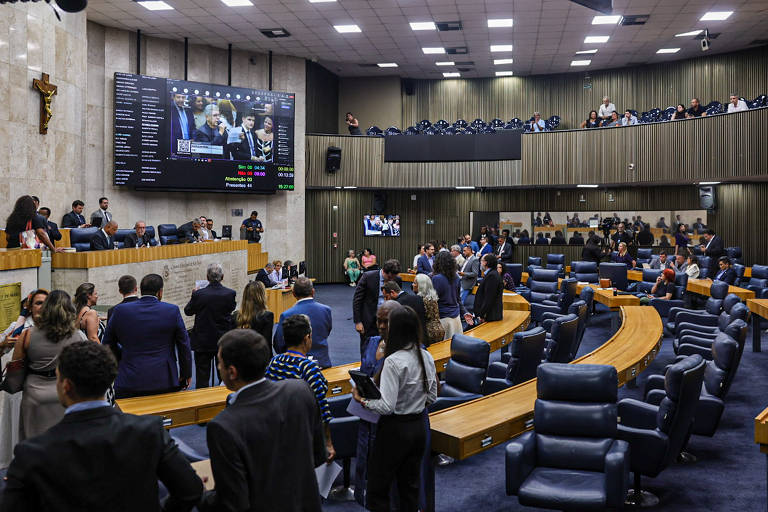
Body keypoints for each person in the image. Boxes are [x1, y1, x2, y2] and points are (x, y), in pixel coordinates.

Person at [1, 341, 204, 511]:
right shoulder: (150, 430)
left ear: (65, 385)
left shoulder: (32, 453)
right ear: (109, 381)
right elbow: (191, 490)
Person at [199, 330, 324, 511]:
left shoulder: (223, 426)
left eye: (219, 362)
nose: (218, 367)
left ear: (232, 372)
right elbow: (318, 456)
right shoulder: (300, 390)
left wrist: (197, 494)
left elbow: (233, 503)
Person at [351, 307, 437, 512]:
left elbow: (386, 407)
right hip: (418, 428)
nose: (381, 327)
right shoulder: (426, 356)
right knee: (410, 487)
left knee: (378, 489)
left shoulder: (393, 361)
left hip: (394, 431)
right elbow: (432, 396)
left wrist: (362, 399)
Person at [4, 290, 86, 441]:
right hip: (66, 392)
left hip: (35, 394)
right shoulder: (77, 336)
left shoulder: (27, 335)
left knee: (34, 442)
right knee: (63, 440)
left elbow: (16, 365)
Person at [104, 274, 192, 398]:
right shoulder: (172, 310)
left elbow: (107, 344)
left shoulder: (120, 311)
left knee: (130, 416)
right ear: (160, 292)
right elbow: (184, 344)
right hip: (164, 378)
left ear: (140, 290)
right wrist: (186, 373)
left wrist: (123, 358)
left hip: (129, 377)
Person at [266, 312, 335, 454]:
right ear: (307, 338)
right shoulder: (308, 368)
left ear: (284, 338)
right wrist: (328, 443)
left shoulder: (274, 361)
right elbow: (322, 409)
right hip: (301, 434)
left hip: (276, 430)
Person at [184, 263, 236, 388]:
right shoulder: (230, 293)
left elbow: (188, 311)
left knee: (202, 377)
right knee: (223, 376)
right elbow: (231, 308)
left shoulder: (199, 294)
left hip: (203, 340)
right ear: (222, 277)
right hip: (222, 340)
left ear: (207, 277)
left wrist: (193, 296)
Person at [273, 277, 333, 367]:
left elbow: (279, 344)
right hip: (322, 362)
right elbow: (326, 332)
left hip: (296, 366)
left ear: (293, 293)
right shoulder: (326, 310)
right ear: (313, 292)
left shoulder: (286, 315)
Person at [353, 259, 403, 352]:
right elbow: (357, 300)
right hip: (369, 320)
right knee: (367, 349)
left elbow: (398, 299)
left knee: (388, 348)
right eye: (389, 276)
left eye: (394, 277)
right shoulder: (368, 277)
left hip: (389, 321)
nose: (392, 280)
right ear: (384, 271)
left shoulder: (397, 279)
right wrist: (358, 322)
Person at [431, 251, 470, 339]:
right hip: (456, 319)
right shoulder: (456, 277)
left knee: (443, 350)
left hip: (443, 319)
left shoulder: (436, 278)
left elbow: (433, 300)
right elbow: (458, 299)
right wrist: (464, 312)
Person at [231, 280, 273, 346]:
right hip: (259, 354)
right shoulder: (267, 316)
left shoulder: (235, 315)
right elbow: (266, 343)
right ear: (262, 296)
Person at [470, 253, 503, 324]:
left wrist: (481, 315)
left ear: (485, 263)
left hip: (489, 316)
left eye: (481, 261)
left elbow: (489, 298)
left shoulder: (492, 276)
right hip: (488, 315)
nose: (480, 263)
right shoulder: (491, 274)